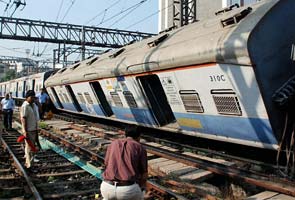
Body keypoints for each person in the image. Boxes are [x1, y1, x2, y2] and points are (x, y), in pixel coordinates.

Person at [101, 125, 148, 200]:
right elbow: (144, 174)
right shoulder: (140, 148)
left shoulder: (113, 144)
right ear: (139, 136)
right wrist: (142, 190)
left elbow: (106, 164)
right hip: (127, 191)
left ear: (125, 134)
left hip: (107, 188)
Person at [20, 90, 40, 169]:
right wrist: (25, 131)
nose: (33, 99)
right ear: (27, 97)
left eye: (34, 97)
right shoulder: (25, 106)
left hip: (34, 128)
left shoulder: (34, 105)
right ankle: (29, 165)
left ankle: (29, 162)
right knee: (29, 148)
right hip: (29, 130)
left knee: (32, 147)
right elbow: (23, 119)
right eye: (31, 97)